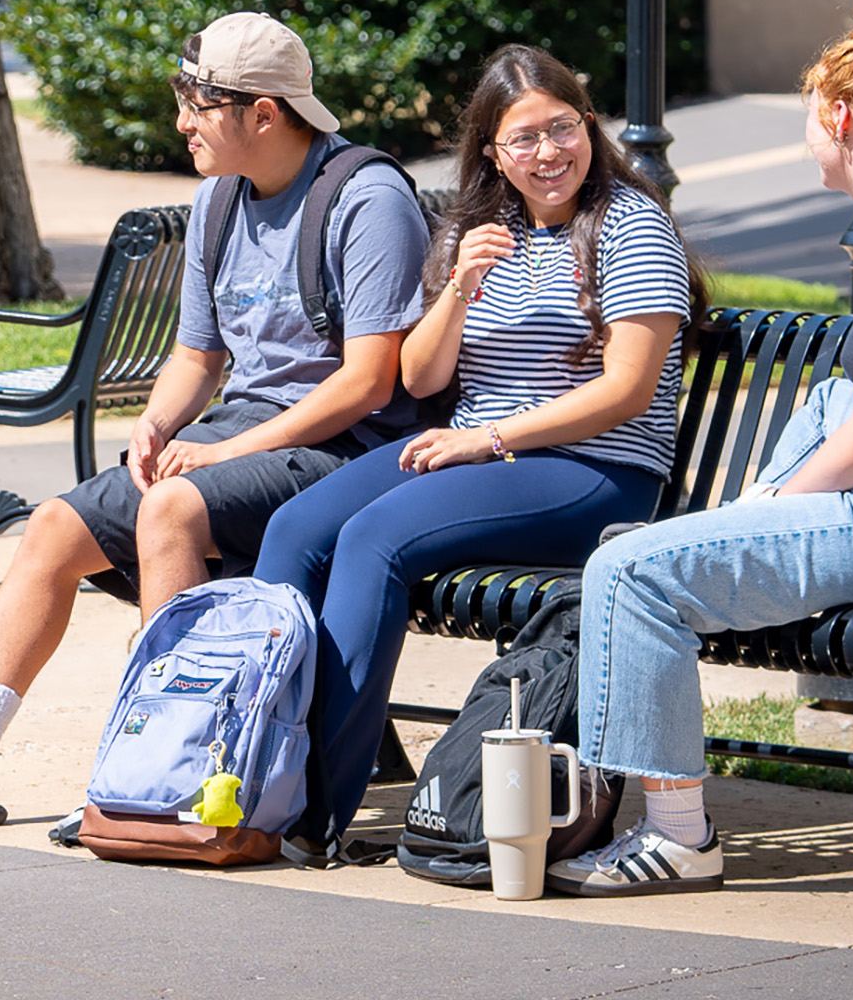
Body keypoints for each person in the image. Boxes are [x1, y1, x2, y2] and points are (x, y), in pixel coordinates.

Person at [0, 12, 432, 828]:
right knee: (52, 528)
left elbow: (370, 382)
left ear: (263, 113)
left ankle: (163, 774)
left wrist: (222, 455)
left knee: (171, 508)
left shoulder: (366, 199)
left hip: (341, 451)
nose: (181, 121)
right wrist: (156, 425)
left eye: (198, 102)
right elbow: (198, 357)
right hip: (240, 436)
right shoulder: (218, 201)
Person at [546, 0, 853, 897]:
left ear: (840, 118)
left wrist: (764, 506)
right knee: (628, 556)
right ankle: (620, 805)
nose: (812, 138)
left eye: (812, 119)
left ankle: (678, 838)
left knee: (633, 574)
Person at [251, 45, 705, 857]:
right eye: (522, 140)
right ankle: (262, 766)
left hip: (594, 470)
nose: (547, 154)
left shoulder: (631, 227)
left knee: (373, 540)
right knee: (293, 529)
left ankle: (311, 814)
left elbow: (627, 391)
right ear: (492, 153)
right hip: (479, 454)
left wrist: (489, 437)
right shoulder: (482, 232)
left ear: (589, 127)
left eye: (560, 130)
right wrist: (459, 284)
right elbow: (420, 372)